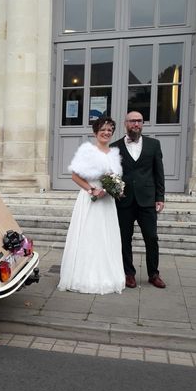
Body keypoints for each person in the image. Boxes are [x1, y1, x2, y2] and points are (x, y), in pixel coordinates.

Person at [57, 116, 125, 294]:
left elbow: (114, 178)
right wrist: (91, 190)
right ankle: (84, 277)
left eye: (110, 130)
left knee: (105, 238)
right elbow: (75, 176)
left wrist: (116, 189)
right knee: (90, 236)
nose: (106, 132)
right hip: (91, 200)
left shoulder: (114, 154)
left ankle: (107, 276)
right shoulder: (87, 151)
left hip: (107, 203)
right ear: (96, 132)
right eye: (103, 129)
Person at [110, 111, 166, 289]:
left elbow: (159, 173)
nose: (136, 124)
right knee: (124, 239)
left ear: (143, 123)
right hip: (124, 200)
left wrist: (160, 197)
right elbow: (111, 174)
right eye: (132, 121)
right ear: (125, 123)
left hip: (147, 200)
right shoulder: (115, 147)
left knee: (151, 237)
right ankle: (129, 273)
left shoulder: (153, 145)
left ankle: (153, 274)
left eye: (139, 121)